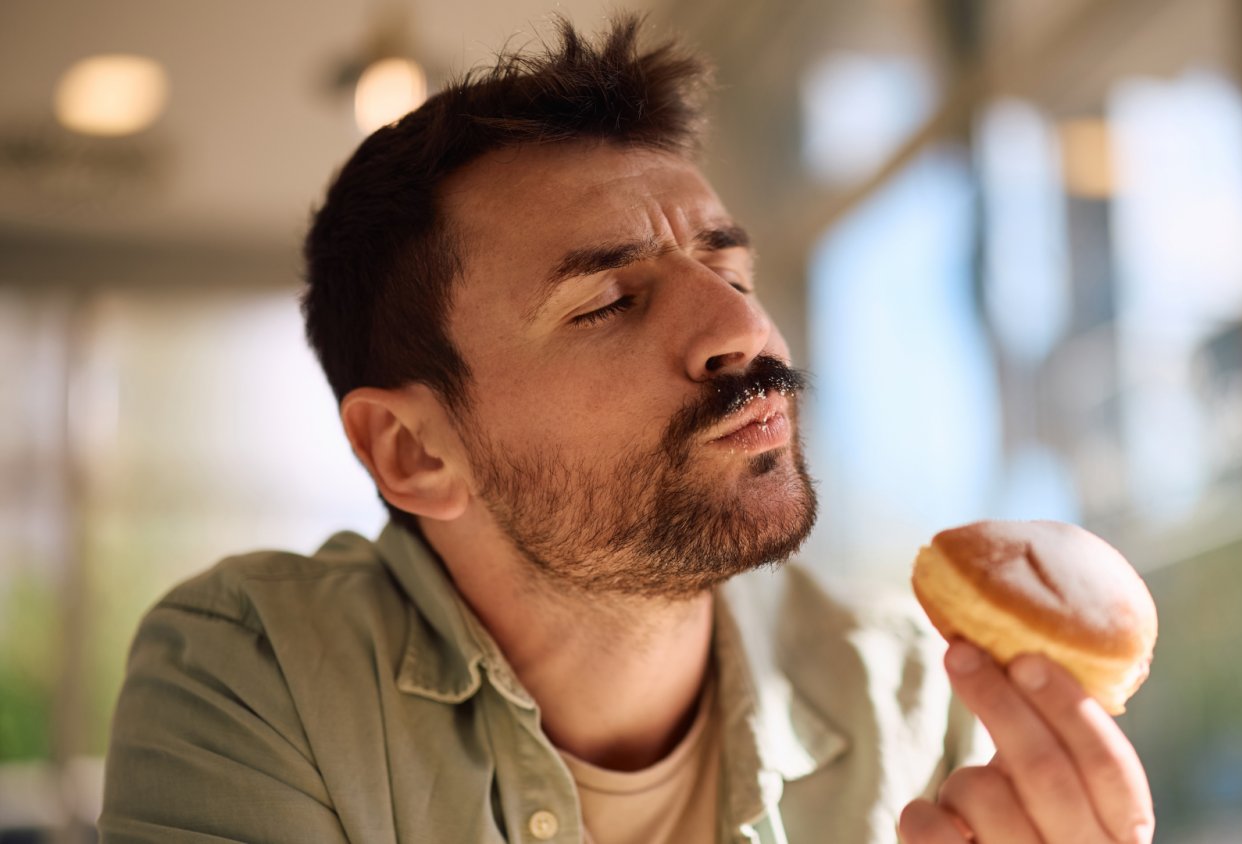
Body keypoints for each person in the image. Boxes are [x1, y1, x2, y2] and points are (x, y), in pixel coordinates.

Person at [99, 15, 1153, 844]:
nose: (743, 328)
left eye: (732, 272)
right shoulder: (253, 675)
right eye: (606, 301)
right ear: (414, 451)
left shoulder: (919, 706)